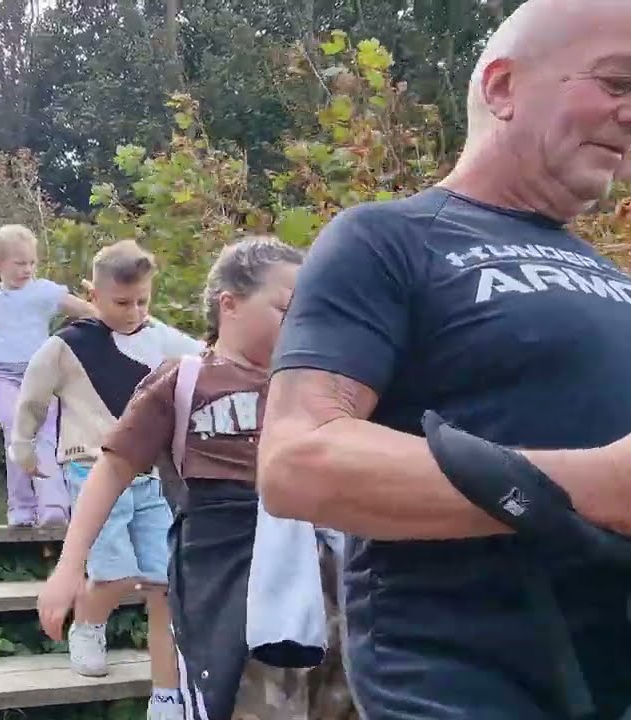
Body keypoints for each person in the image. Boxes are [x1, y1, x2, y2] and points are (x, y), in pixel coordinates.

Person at [257, 1, 631, 718]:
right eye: (617, 83)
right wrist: (594, 487)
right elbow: (296, 463)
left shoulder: (609, 274)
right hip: (466, 683)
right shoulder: (387, 238)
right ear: (502, 88)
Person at [16, 240, 204, 720]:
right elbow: (33, 396)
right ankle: (89, 624)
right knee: (115, 572)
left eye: (143, 300)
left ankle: (166, 692)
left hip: (152, 476)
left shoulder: (161, 337)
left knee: (164, 582)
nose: (133, 311)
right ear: (92, 293)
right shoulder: (68, 345)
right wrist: (22, 445)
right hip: (89, 468)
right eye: (121, 302)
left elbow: (210, 360)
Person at [0, 224, 94, 527]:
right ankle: (21, 508)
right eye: (20, 263)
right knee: (17, 432)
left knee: (46, 436)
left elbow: (86, 311)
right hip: (5, 375)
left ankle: (53, 506)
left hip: (42, 374)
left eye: (32, 262)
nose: (27, 269)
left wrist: (103, 307)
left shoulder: (44, 291)